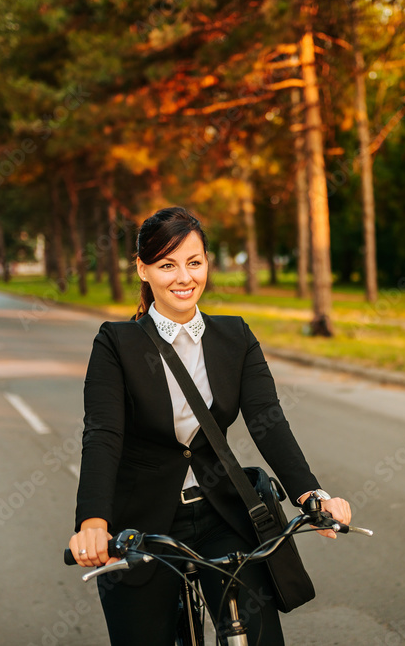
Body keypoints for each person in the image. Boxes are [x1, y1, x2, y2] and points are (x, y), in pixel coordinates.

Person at [69, 206, 352, 645]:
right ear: (143, 270)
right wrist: (93, 520)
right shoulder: (116, 343)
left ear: (207, 265)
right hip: (143, 522)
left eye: (194, 262)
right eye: (167, 265)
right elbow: (103, 433)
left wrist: (311, 494)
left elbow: (268, 422)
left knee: (257, 637)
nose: (184, 277)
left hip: (223, 510)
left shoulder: (235, 337)